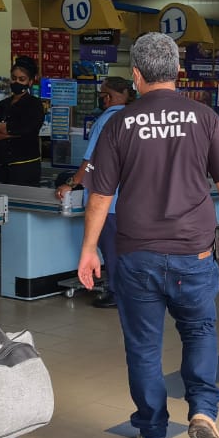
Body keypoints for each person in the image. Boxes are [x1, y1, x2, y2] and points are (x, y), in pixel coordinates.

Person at [77, 33, 219, 438]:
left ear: (136, 75)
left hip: (137, 256)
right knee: (199, 331)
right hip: (195, 252)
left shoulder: (120, 123)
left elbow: (100, 195)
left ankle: (153, 436)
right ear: (178, 72)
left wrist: (89, 249)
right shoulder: (204, 117)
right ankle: (203, 410)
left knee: (144, 346)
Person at [56, 76, 133, 308]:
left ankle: (117, 293)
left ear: (107, 97)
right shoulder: (135, 118)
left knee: (111, 248)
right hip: (132, 197)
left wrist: (72, 183)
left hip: (108, 200)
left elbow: (91, 160)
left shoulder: (106, 121)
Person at [0, 56, 44, 185]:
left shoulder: (34, 104)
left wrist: (0, 129)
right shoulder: (3, 104)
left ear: (30, 82)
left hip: (25, 166)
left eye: (21, 79)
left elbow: (29, 130)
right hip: (2, 165)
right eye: (14, 78)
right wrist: (10, 132)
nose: (16, 82)